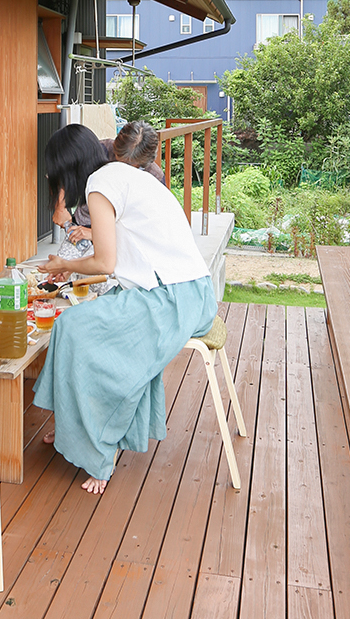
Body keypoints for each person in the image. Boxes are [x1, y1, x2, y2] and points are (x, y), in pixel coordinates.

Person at [34, 121, 217, 494]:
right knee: (75, 321)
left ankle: (98, 451)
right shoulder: (127, 177)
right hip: (188, 291)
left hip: (173, 298)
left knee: (74, 327)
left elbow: (104, 263)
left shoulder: (100, 185)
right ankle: (72, 421)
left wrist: (62, 265)